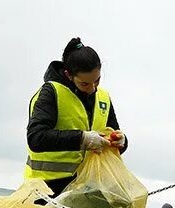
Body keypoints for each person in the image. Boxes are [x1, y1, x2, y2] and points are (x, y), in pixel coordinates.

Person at [25, 37, 127, 196]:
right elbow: (36, 138)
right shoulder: (51, 92)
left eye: (97, 80)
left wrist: (122, 141)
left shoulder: (103, 97)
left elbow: (112, 135)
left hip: (84, 187)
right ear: (69, 75)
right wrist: (83, 139)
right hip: (45, 190)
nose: (92, 88)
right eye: (85, 84)